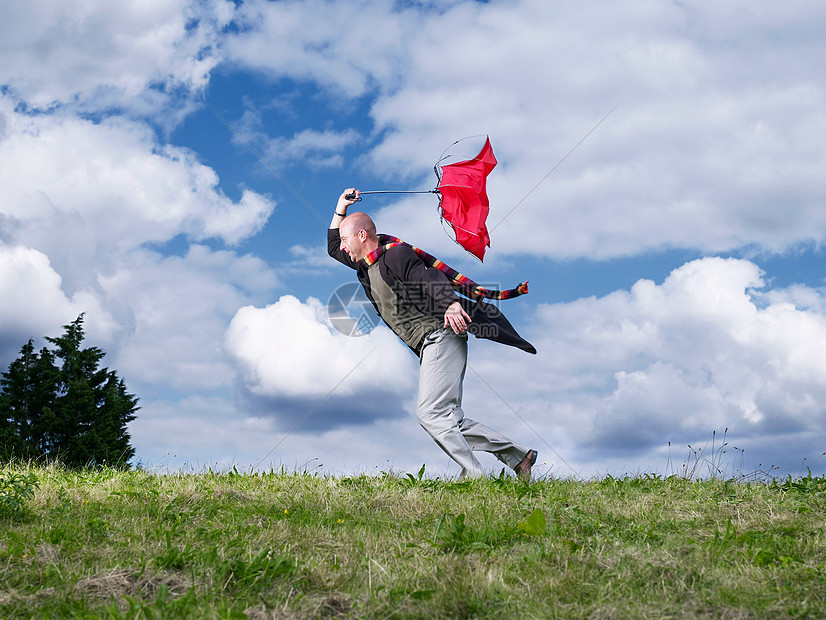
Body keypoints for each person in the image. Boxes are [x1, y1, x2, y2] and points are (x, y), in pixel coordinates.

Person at [328, 188, 538, 479]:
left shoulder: (396, 256)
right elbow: (331, 246)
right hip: (429, 345)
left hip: (441, 335)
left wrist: (450, 304)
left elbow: (429, 278)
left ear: (362, 236)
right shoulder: (365, 266)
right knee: (448, 419)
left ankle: (474, 476)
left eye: (346, 240)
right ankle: (519, 456)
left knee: (430, 414)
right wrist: (341, 207)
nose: (342, 248)